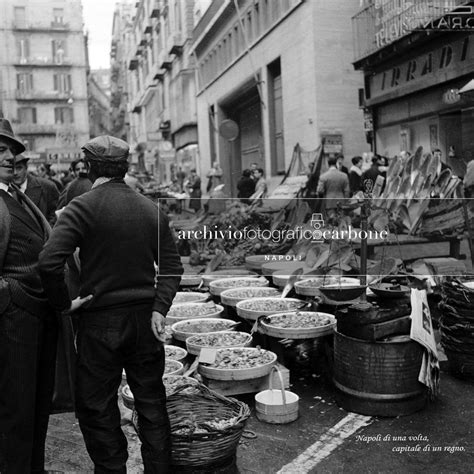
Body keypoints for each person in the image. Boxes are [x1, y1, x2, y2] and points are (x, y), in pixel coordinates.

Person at [38, 135, 184, 473]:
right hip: (145, 322)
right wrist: (159, 308)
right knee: (152, 404)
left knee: (97, 407)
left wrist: (64, 304)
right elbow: (173, 268)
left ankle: (112, 468)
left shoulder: (81, 207)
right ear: (125, 167)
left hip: (99, 323)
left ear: (88, 167)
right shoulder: (151, 209)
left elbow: (48, 262)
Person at [0, 118, 59, 474]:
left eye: (12, 151)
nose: (9, 157)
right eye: (1, 151)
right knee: (14, 409)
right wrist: (10, 294)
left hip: (39, 315)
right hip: (13, 319)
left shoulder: (17, 196)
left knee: (37, 406)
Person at [13, 154, 59, 225]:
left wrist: (47, 234)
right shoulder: (5, 189)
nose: (15, 173)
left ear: (26, 168)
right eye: (12, 169)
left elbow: (56, 215)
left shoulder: (47, 187)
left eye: (19, 168)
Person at [317, 156, 349, 224]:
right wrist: (346, 202)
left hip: (329, 201)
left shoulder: (323, 176)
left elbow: (320, 190)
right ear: (336, 163)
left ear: (328, 164)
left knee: (331, 222)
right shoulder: (344, 175)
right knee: (341, 222)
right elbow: (347, 191)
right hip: (341, 201)